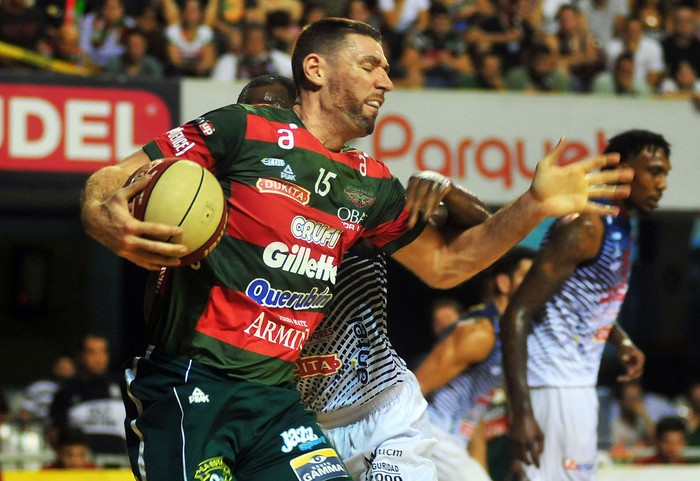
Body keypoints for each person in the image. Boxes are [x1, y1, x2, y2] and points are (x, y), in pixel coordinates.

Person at [80, 17, 633, 481]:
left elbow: (447, 265)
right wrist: (102, 214)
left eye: (387, 68)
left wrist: (532, 206)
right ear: (315, 70)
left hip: (277, 399)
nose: (386, 81)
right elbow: (114, 177)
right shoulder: (242, 128)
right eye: (371, 65)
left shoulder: (371, 182)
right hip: (190, 380)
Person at [237, 74, 493, 481]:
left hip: (383, 412)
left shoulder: (357, 191)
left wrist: (444, 188)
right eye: (250, 114)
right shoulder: (231, 211)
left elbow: (481, 235)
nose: (263, 124)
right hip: (296, 424)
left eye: (273, 113)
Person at [501, 129, 672, 481]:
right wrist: (521, 413)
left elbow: (590, 304)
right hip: (552, 388)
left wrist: (620, 340)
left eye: (665, 173)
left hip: (577, 386)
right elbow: (516, 314)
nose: (663, 184)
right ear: (623, 171)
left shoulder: (622, 226)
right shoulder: (585, 226)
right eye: (655, 172)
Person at [415, 247, 535, 481]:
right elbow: (413, 389)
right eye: (527, 276)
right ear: (504, 283)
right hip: (431, 433)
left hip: (455, 440)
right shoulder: (480, 332)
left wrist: (481, 470)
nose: (538, 284)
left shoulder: (508, 334)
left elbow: (476, 411)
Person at [49, 334, 126, 462]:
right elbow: (54, 432)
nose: (99, 358)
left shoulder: (123, 385)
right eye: (92, 352)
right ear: (79, 355)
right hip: (82, 466)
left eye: (103, 352)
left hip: (122, 463)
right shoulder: (67, 391)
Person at [19, 355, 76, 426]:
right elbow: (25, 412)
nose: (64, 370)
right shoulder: (40, 387)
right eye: (61, 367)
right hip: (40, 429)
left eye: (67, 368)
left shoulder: (79, 391)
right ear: (54, 369)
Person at [610, 380, 656, 448]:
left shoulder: (643, 423)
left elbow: (658, 440)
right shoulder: (614, 426)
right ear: (621, 401)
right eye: (629, 398)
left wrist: (645, 416)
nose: (634, 402)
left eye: (637, 397)